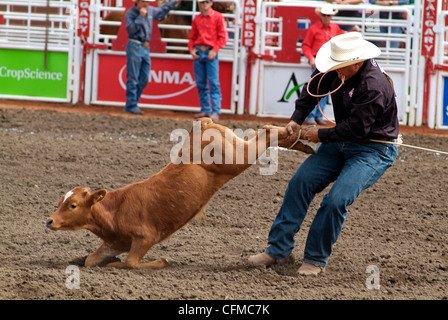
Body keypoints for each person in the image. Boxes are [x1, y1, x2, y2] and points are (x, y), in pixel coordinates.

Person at [248, 32, 399, 276]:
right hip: (341, 142)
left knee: (336, 200)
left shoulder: (374, 86)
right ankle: (278, 250)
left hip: (373, 148)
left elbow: (358, 129)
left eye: (340, 68)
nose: (334, 71)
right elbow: (312, 88)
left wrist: (320, 135)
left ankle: (315, 259)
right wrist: (296, 120)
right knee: (300, 182)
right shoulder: (340, 67)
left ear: (357, 63)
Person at [301, 5, 359, 125]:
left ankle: (317, 116)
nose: (326, 17)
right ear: (321, 16)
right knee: (316, 87)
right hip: (319, 61)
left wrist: (352, 32)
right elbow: (306, 45)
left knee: (324, 88)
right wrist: (311, 58)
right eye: (324, 15)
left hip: (331, 62)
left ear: (331, 16)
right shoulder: (314, 29)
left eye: (328, 15)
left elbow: (343, 36)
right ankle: (312, 116)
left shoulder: (335, 28)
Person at [124, 0, 182, 115]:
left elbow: (161, 11)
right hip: (135, 44)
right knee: (133, 77)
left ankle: (132, 102)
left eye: (147, 2)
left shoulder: (150, 11)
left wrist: (173, 2)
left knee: (144, 78)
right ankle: (131, 104)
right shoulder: (130, 13)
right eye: (144, 2)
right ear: (138, 2)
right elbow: (131, 30)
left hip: (144, 47)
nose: (146, 4)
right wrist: (141, 17)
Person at [188, 0, 228, 121]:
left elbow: (223, 37)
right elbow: (192, 37)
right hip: (200, 51)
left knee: (213, 82)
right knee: (201, 83)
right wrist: (191, 49)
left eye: (206, 2)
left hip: (210, 51)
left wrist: (214, 50)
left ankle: (215, 110)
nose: (204, 5)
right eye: (202, 3)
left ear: (211, 3)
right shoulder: (197, 19)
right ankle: (206, 110)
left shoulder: (218, 17)